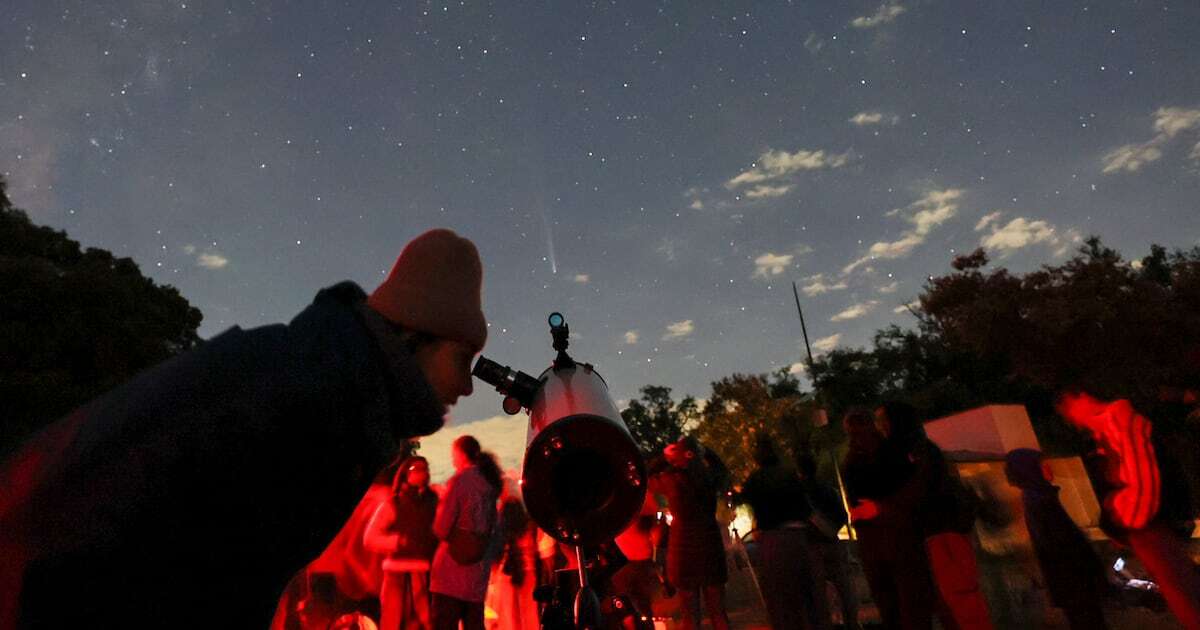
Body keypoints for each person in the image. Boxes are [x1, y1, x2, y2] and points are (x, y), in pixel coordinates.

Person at [0, 228, 486, 629]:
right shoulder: (316, 404)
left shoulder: (329, 384)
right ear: (417, 333)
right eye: (462, 359)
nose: (467, 385)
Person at [1056, 390, 1200, 628]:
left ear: (1081, 396)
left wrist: (1124, 517)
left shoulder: (1118, 421)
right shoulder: (1103, 431)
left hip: (1151, 528)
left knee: (1184, 595)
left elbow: (1142, 481)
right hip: (1146, 528)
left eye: (1067, 407)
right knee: (1182, 592)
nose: (1069, 417)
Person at [876, 401, 993, 630]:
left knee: (958, 596)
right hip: (931, 533)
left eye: (884, 420)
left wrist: (886, 507)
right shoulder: (918, 449)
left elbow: (919, 488)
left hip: (940, 531)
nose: (881, 426)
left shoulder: (917, 451)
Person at [841, 408, 935, 630]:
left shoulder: (857, 460)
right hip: (895, 535)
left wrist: (879, 510)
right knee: (910, 602)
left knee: (894, 602)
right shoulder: (894, 452)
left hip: (882, 535)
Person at [1003, 448, 1109, 630]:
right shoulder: (1039, 500)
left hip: (1073, 582)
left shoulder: (1041, 496)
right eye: (1042, 465)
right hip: (1074, 581)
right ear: (1030, 470)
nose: (1049, 468)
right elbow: (1058, 544)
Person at [739, 436, 829, 630]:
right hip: (799, 538)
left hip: (773, 540)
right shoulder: (791, 475)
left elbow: (742, 499)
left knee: (780, 599)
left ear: (757, 457)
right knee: (808, 595)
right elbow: (806, 508)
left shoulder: (756, 480)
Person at [650, 437, 730, 630]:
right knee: (718, 613)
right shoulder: (709, 477)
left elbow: (646, 475)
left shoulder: (670, 479)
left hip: (682, 552)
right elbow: (723, 471)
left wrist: (663, 457)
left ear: (677, 456)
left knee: (689, 617)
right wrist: (706, 450)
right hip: (710, 548)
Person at [430, 435, 502, 630]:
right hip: (478, 575)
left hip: (450, 574)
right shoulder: (490, 484)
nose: (453, 460)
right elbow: (496, 531)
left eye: (454, 454)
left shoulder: (460, 481)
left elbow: (440, 527)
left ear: (461, 454)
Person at [364, 456, 439, 630]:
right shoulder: (393, 504)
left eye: (425, 469)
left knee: (425, 622)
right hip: (396, 573)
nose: (423, 473)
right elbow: (370, 538)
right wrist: (399, 541)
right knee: (394, 621)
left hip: (425, 573)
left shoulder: (433, 502)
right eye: (417, 469)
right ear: (406, 474)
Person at [797, 453, 860, 630]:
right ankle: (851, 622)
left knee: (819, 595)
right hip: (832, 541)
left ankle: (824, 625)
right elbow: (842, 515)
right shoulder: (827, 489)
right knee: (844, 588)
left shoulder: (800, 493)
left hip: (812, 545)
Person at [486, 476, 538, 630]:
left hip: (508, 574)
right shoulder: (528, 524)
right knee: (529, 616)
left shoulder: (501, 520)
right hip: (527, 572)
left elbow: (495, 551)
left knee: (509, 617)